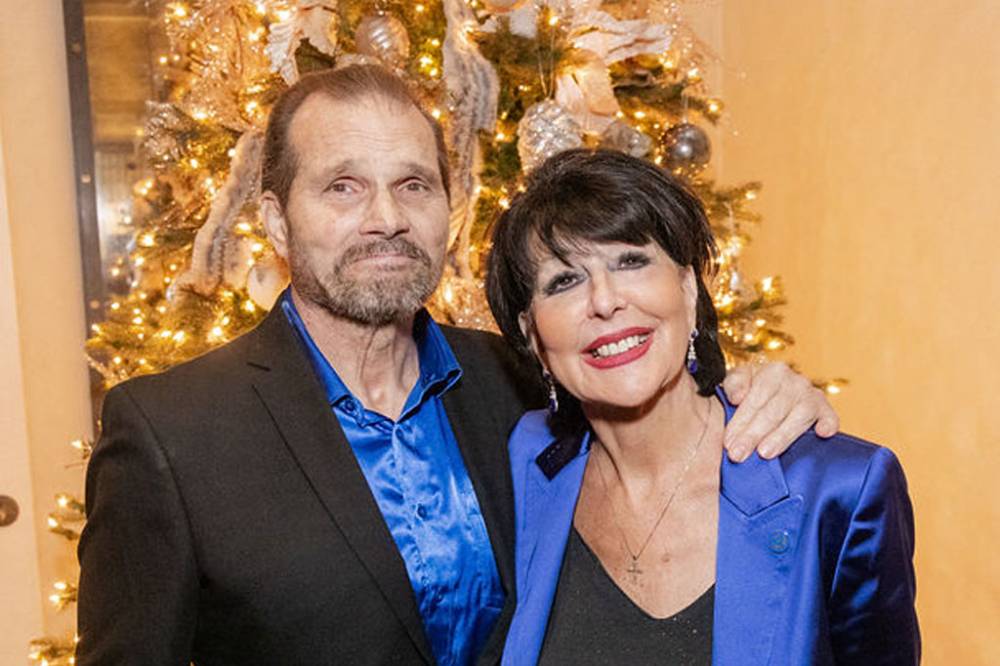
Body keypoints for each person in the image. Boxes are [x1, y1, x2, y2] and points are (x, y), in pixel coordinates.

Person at [76, 66, 839, 665]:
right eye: (343, 187)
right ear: (277, 219)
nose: (386, 218)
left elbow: (662, 417)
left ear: (450, 206)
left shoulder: (524, 384)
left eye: (414, 185)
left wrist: (759, 392)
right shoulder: (172, 433)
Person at [485, 148, 919, 665]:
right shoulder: (525, 465)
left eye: (631, 261)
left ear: (688, 289)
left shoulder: (841, 488)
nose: (604, 301)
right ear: (533, 337)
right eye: (565, 281)